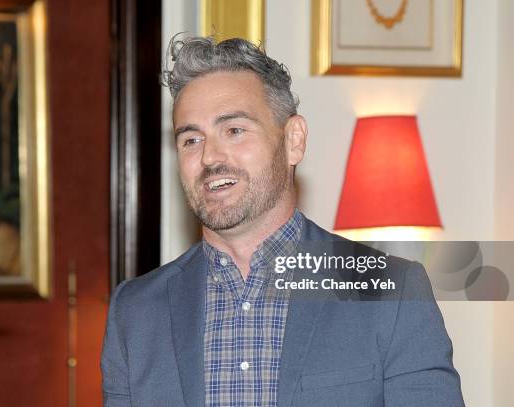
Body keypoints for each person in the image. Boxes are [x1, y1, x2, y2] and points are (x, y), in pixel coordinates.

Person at [101, 35, 465, 407]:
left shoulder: (392, 291)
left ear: (294, 140)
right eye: (191, 139)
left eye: (234, 130)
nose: (210, 157)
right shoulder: (135, 312)